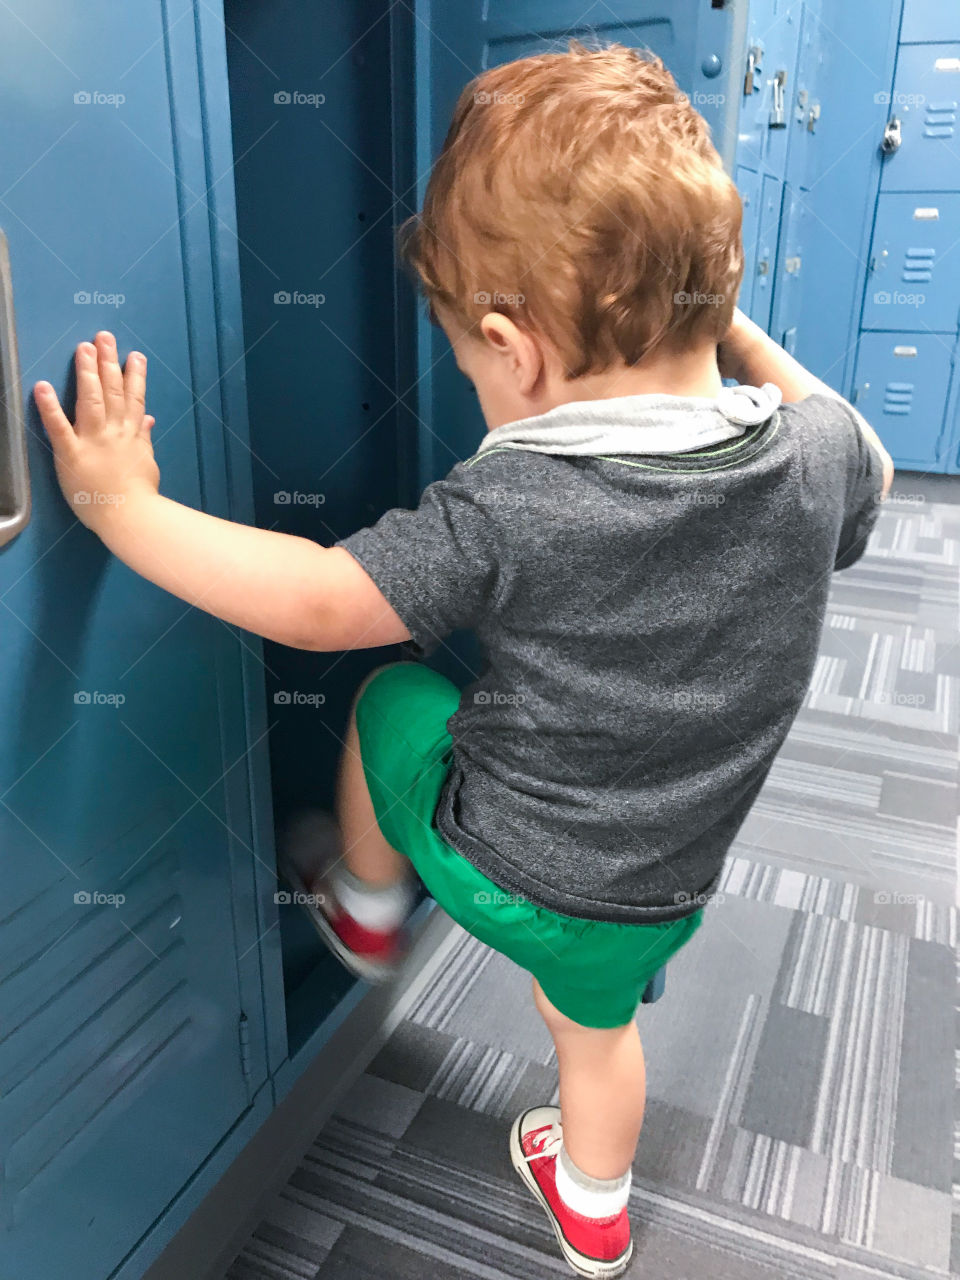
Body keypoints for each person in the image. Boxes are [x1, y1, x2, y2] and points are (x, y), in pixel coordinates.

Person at [34, 40, 893, 1280]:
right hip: (664, 888)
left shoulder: (518, 502)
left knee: (395, 699)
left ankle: (371, 910)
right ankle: (595, 1212)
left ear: (516, 346)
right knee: (592, 1039)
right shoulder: (814, 458)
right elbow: (851, 435)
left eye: (471, 357)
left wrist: (125, 509)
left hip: (514, 871)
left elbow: (325, 603)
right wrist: (726, 322)